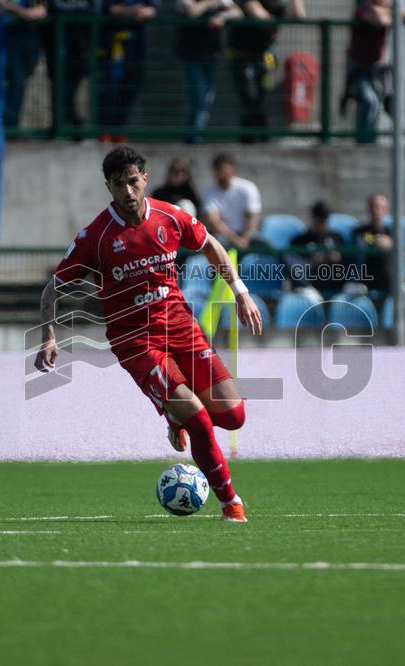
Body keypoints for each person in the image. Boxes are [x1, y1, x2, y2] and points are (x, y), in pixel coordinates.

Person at [34, 146, 263, 522]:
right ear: (108, 186)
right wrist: (49, 337)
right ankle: (230, 503)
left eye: (133, 181)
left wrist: (241, 293)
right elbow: (52, 288)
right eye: (118, 184)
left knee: (234, 416)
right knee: (200, 419)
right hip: (135, 341)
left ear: (143, 178)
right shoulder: (96, 236)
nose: (127, 191)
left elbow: (212, 247)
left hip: (181, 327)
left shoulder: (170, 216)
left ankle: (175, 416)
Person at [226, 0, 305, 142]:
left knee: (264, 93)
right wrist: (276, 21)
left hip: (266, 55)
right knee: (249, 96)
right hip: (241, 55)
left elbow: (299, 15)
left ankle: (252, 135)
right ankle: (256, 134)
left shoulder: (278, 6)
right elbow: (261, 17)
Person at [342, 0, 405, 144]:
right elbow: (380, 20)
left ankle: (371, 141)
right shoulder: (363, 10)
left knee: (381, 105)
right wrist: (393, 14)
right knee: (369, 101)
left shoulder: (386, 9)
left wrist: (390, 11)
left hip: (378, 71)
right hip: (359, 70)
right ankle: (364, 143)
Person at [175, 0, 242, 143]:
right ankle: (194, 137)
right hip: (191, 55)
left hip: (212, 56)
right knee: (197, 98)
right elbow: (191, 12)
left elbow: (238, 12)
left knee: (206, 99)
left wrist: (222, 17)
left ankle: (194, 136)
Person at [98, 0, 158, 142]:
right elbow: (109, 8)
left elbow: (154, 8)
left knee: (130, 90)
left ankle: (119, 131)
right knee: (110, 91)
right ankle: (105, 132)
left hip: (137, 49)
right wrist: (131, 11)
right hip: (112, 47)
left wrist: (146, 12)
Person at [42, 0, 99, 136]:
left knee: (71, 85)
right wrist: (79, 8)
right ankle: (64, 123)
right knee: (57, 83)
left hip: (79, 44)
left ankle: (69, 121)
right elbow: (54, 6)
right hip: (55, 41)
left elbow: (93, 7)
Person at [1, 0, 48, 131]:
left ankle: (11, 125)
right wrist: (23, 13)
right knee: (14, 81)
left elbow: (42, 7)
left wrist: (41, 9)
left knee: (19, 83)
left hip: (28, 41)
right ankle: (8, 127)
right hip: (5, 39)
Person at [200, 152, 261, 249]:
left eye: (224, 169)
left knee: (269, 247)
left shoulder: (248, 188)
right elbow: (214, 222)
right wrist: (235, 240)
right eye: (218, 169)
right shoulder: (208, 193)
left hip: (248, 235)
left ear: (233, 169)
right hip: (223, 238)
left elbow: (252, 218)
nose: (221, 173)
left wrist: (245, 238)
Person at [286, 200, 346, 296]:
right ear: (313, 218)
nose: (323, 224)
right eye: (320, 220)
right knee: (287, 256)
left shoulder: (336, 237)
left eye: (325, 220)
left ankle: (351, 284)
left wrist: (336, 258)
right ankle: (306, 286)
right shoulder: (299, 240)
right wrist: (315, 261)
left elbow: (345, 260)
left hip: (334, 282)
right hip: (309, 286)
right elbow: (295, 265)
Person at [351, 193, 392, 293]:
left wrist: (390, 244)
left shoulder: (391, 232)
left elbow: (396, 245)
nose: (376, 211)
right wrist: (375, 240)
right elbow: (361, 238)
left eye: (380, 207)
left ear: (386, 211)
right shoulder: (360, 231)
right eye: (374, 207)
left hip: (386, 277)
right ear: (369, 209)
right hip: (367, 276)